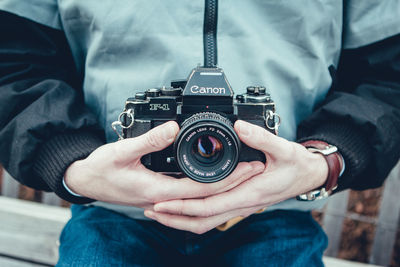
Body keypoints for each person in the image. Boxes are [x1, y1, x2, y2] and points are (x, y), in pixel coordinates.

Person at [0, 1, 399, 266]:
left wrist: (321, 162)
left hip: (273, 211)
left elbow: (388, 75)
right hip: (115, 211)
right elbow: (14, 59)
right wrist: (73, 164)